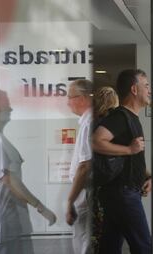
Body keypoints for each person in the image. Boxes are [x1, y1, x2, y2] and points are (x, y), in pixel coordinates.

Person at [0, 89, 56, 254]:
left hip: (1, 224)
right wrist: (41, 207)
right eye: (5, 104)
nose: (10, 108)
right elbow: (9, 180)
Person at [92, 69, 152, 253]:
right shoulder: (120, 116)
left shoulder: (132, 117)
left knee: (110, 247)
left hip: (121, 193)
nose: (150, 90)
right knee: (143, 247)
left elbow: (133, 157)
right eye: (147, 85)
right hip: (123, 194)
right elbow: (95, 141)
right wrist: (128, 149)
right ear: (134, 89)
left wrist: (147, 176)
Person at [65, 79, 93, 254]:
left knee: (85, 242)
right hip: (85, 193)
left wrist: (70, 201)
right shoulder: (87, 122)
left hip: (86, 194)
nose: (68, 102)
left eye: (70, 97)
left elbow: (85, 166)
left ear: (82, 99)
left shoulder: (89, 123)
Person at [90, 86, 119, 252]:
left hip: (96, 180)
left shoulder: (92, 124)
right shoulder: (114, 123)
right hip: (112, 180)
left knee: (98, 227)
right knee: (111, 227)